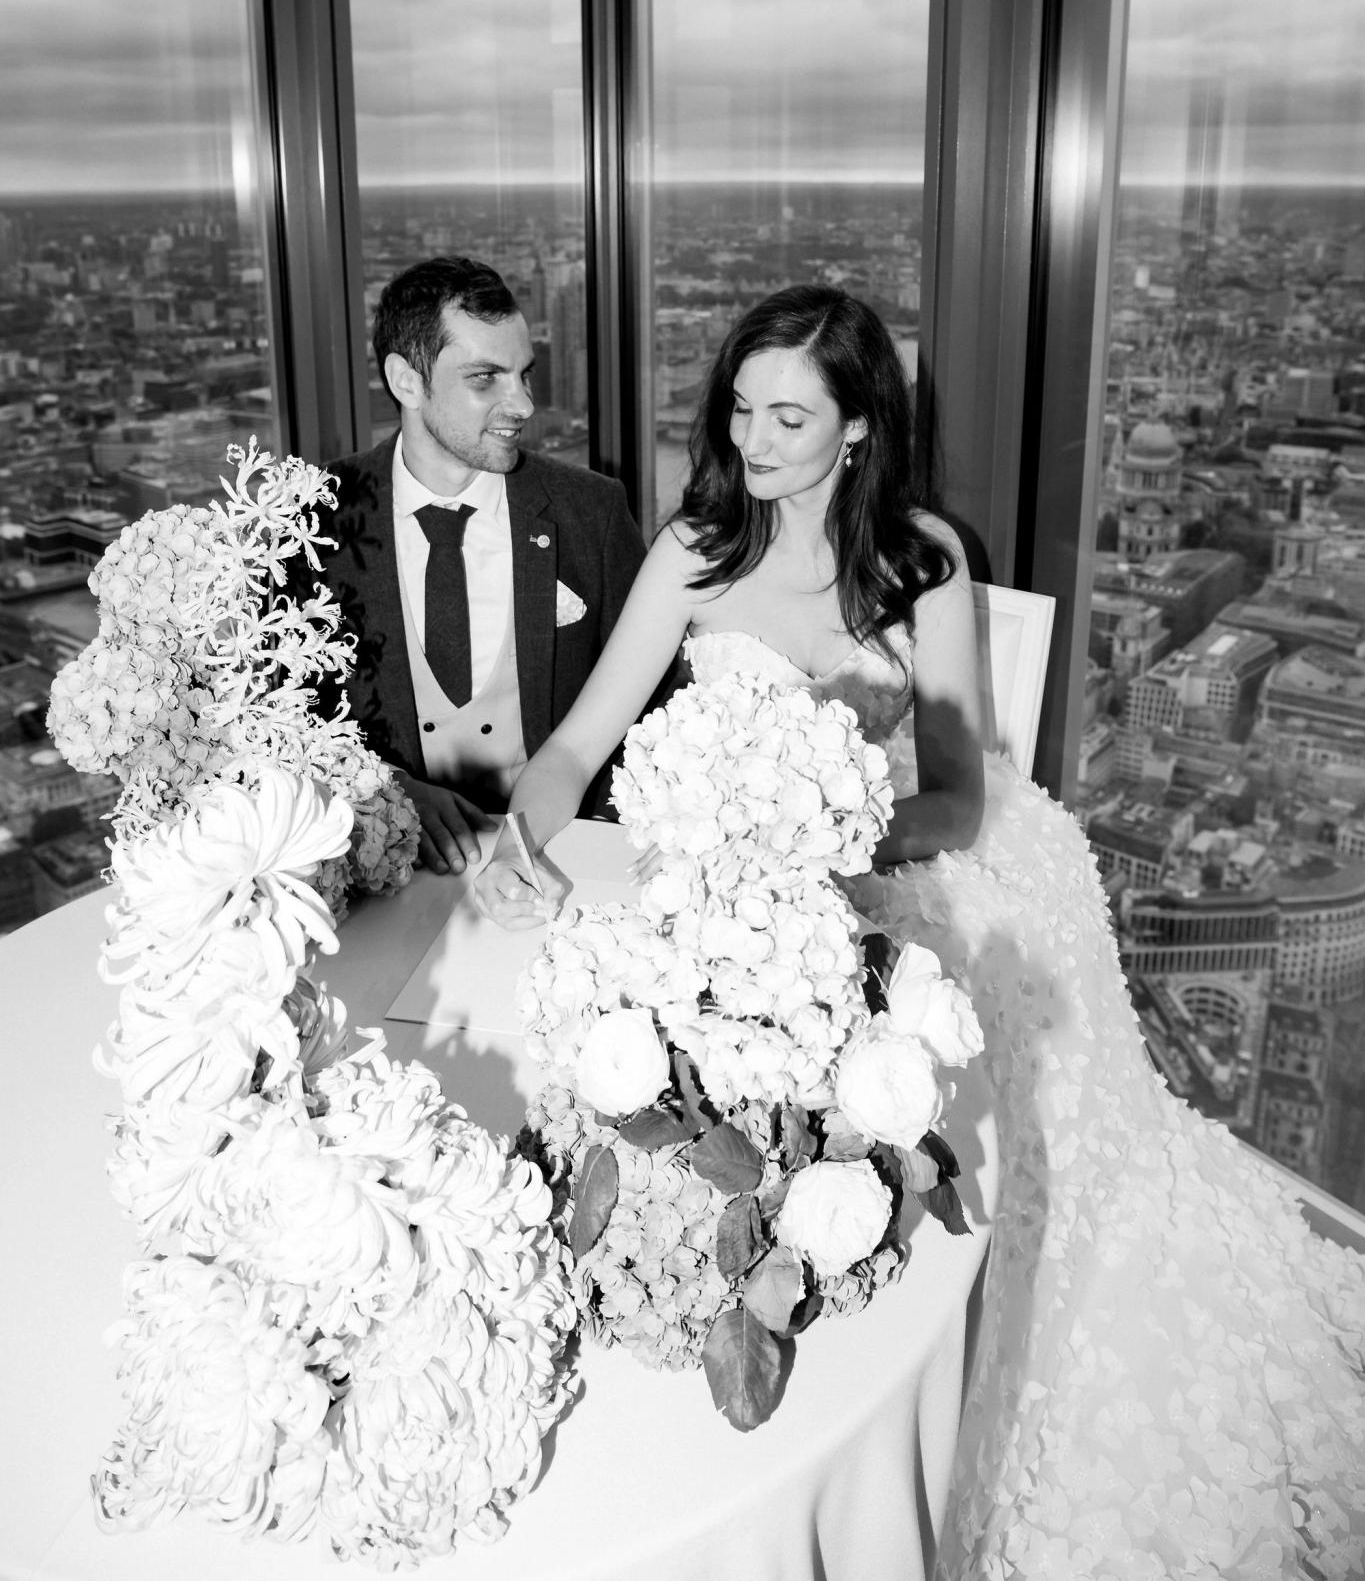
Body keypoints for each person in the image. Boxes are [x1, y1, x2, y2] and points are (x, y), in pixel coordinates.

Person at [488, 283, 1365, 1579]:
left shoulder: (922, 561)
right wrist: (529, 830)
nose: (753, 439)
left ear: (857, 430)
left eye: (791, 415)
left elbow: (957, 787)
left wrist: (822, 844)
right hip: (737, 882)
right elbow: (573, 747)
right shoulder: (692, 552)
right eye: (740, 408)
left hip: (896, 859)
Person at [315, 256, 646, 911]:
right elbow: (283, 727)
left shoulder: (591, 512)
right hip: (382, 885)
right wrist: (383, 789)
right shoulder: (314, 522)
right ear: (406, 381)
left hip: (560, 870)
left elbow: (653, 707)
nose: (522, 404)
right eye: (484, 379)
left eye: (523, 373)